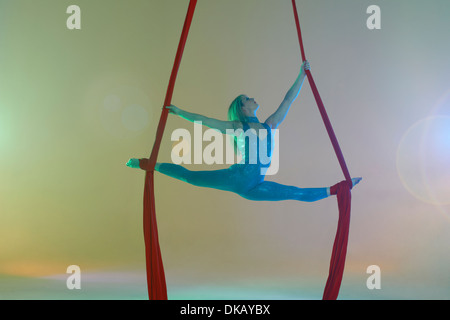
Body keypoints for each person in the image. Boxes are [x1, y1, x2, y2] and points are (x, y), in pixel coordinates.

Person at [127, 61, 361, 201]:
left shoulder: (270, 124)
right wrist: (178, 112)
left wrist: (302, 74)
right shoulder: (239, 127)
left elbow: (288, 100)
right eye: (246, 98)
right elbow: (204, 120)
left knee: (294, 193)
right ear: (242, 107)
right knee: (191, 176)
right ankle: (147, 164)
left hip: (255, 186)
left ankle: (338, 189)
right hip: (237, 178)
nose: (251, 97)